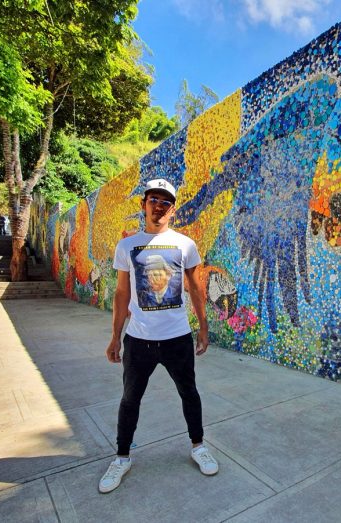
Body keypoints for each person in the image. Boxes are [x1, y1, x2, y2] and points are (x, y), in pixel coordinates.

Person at [99, 178, 218, 494]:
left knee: (189, 393)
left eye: (166, 202)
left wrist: (203, 327)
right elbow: (122, 293)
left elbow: (196, 288)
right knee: (130, 399)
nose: (159, 206)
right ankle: (122, 458)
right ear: (144, 204)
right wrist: (115, 336)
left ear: (172, 209)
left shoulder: (185, 244)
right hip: (139, 340)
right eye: (154, 199)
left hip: (177, 338)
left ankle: (198, 446)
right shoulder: (127, 246)